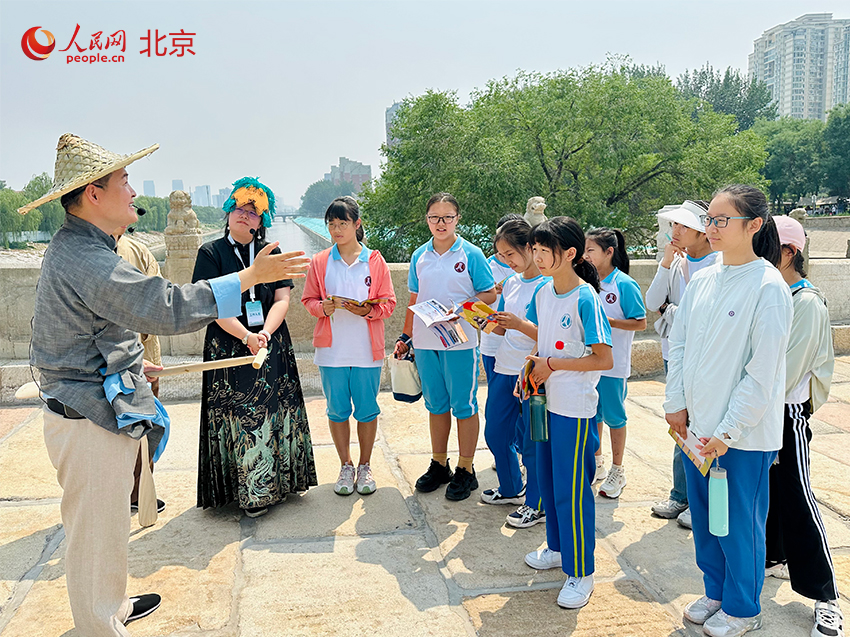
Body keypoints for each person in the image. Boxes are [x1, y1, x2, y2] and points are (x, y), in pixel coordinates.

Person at [23, 134, 309, 636]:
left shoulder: (88, 246)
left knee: (110, 526)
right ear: (94, 194)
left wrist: (130, 365)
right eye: (124, 181)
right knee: (94, 533)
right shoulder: (84, 257)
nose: (134, 192)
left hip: (96, 402)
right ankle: (99, 624)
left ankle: (111, 603)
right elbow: (166, 307)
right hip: (84, 418)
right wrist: (251, 277)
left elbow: (94, 331)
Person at [664, 185, 792, 637]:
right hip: (697, 430)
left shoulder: (768, 287)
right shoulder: (702, 278)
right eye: (710, 220)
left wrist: (728, 430)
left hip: (741, 437)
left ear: (754, 225)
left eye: (722, 220)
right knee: (706, 519)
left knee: (738, 524)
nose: (711, 229)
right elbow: (678, 346)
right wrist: (675, 403)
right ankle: (715, 591)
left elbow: (762, 373)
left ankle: (742, 607)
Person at [193, 177, 317, 518]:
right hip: (229, 345)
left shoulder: (271, 253)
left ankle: (278, 484)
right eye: (238, 209)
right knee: (240, 417)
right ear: (228, 213)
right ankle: (248, 493)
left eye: (253, 212)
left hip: (270, 341)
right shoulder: (211, 252)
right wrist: (245, 335)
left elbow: (282, 296)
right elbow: (210, 304)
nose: (244, 216)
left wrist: (264, 332)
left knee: (272, 412)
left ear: (262, 219)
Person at [520, 217, 613, 609]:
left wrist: (552, 365)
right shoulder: (543, 292)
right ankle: (557, 548)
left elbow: (602, 358)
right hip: (543, 401)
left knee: (574, 491)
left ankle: (582, 572)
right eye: (535, 250)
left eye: (546, 250)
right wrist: (531, 371)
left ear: (570, 253)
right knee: (549, 480)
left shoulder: (585, 297)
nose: (538, 257)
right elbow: (544, 342)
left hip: (574, 409)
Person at [765, 216, 842, 637]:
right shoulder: (774, 292)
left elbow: (788, 372)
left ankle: (826, 597)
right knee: (772, 492)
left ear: (789, 252)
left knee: (797, 497)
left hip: (785, 413)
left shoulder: (805, 301)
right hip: (762, 410)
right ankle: (774, 558)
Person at [393, 193, 496, 501]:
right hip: (426, 342)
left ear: (457, 219)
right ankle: (440, 463)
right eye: (434, 217)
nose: (440, 223)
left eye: (447, 217)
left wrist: (461, 308)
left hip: (461, 342)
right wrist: (405, 337)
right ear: (427, 220)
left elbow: (489, 294)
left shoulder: (472, 254)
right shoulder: (419, 256)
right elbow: (414, 299)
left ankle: (466, 468)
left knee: (464, 406)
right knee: (435, 405)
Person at [301, 197, 396, 496]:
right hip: (332, 351)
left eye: (342, 223)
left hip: (367, 350)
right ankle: (345, 465)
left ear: (357, 224)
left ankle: (365, 466)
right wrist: (324, 308)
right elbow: (308, 301)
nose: (336, 229)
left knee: (367, 410)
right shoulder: (320, 262)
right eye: (331, 224)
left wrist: (367, 311)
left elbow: (389, 303)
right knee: (337, 410)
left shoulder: (375, 261)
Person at [646, 201, 718, 529]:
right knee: (680, 425)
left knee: (702, 427)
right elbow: (652, 303)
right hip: (673, 352)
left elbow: (701, 317)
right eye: (674, 225)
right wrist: (664, 264)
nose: (675, 232)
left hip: (703, 358)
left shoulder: (717, 264)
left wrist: (671, 311)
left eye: (683, 227)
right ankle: (681, 495)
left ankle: (699, 501)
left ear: (703, 232)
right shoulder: (676, 262)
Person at [480, 218, 548, 529]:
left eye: (511, 255)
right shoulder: (511, 283)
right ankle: (511, 488)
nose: (506, 262)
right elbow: (500, 322)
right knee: (495, 431)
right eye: (501, 256)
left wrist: (518, 324)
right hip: (504, 366)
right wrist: (479, 319)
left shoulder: (547, 286)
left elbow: (548, 336)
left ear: (530, 249)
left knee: (533, 441)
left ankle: (536, 503)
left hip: (531, 373)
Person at [583, 228, 646, 498]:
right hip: (588, 363)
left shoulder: (623, 284)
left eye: (591, 251)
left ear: (609, 252)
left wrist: (606, 322)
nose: (585, 256)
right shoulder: (586, 281)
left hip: (613, 365)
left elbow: (640, 321)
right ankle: (596, 462)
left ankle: (618, 469)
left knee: (614, 417)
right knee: (592, 414)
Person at [114, 225, 168, 515]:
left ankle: (133, 491)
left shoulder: (136, 250)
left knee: (138, 429)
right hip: (134, 359)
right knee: (139, 428)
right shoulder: (136, 250)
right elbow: (157, 302)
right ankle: (135, 491)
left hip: (139, 359)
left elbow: (156, 300)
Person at [479, 213, 523, 386]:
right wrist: (470, 310)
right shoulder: (486, 266)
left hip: (522, 346)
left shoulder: (537, 272)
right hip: (493, 342)